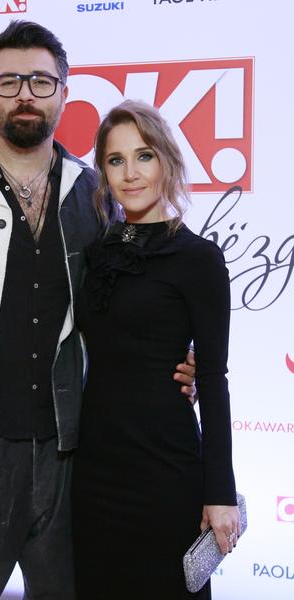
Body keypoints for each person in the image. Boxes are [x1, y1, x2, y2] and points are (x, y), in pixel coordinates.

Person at [0, 22, 195, 600]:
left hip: (72, 456)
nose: (25, 94)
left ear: (64, 93)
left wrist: (178, 360)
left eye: (40, 81)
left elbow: (126, 311)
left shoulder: (95, 194)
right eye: (9, 82)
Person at [71, 100, 240, 600]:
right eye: (115, 160)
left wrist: (220, 493)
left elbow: (213, 379)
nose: (130, 173)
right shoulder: (96, 253)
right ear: (103, 172)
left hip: (166, 471)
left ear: (166, 159)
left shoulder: (199, 259)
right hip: (95, 470)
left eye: (143, 156)